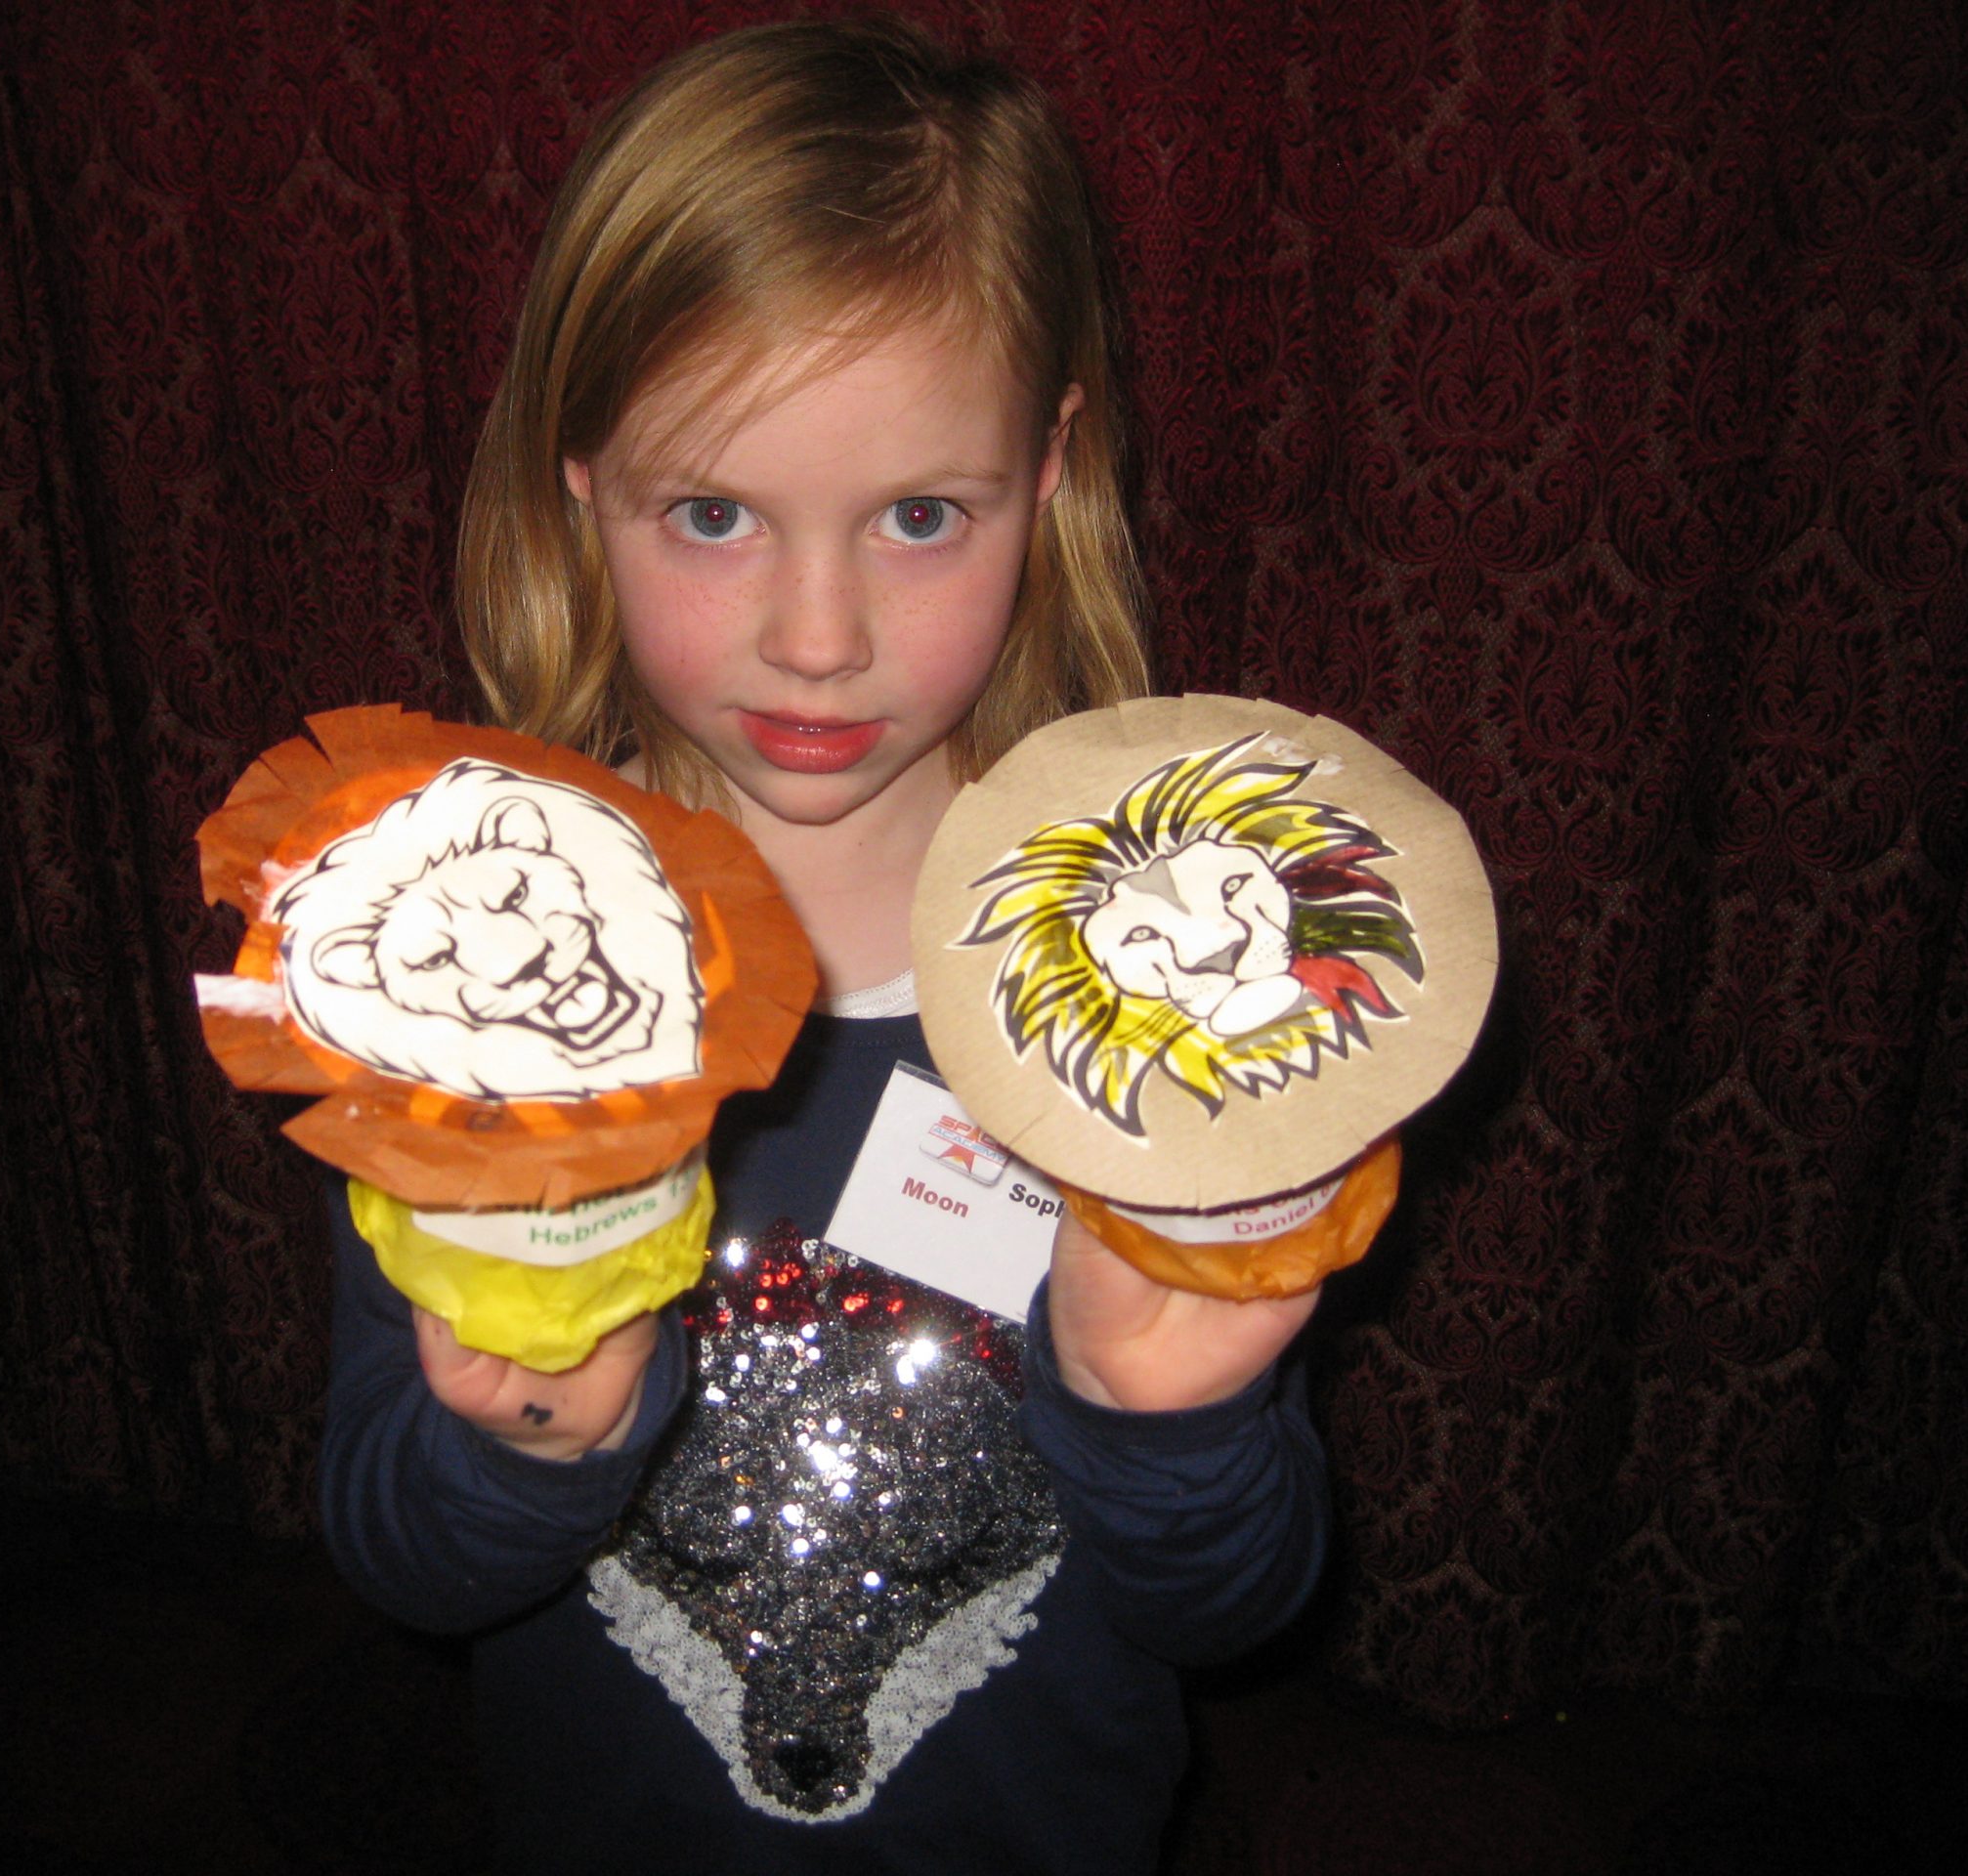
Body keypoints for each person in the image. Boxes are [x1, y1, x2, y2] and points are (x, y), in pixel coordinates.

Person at [319, 18, 1329, 1872]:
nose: (816, 638)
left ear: (1049, 473)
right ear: (579, 484)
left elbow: (1236, 1610)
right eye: (713, 514)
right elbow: (398, 1556)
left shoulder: (1160, 978)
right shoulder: (477, 961)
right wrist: (526, 1443)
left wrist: (1170, 1421)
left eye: (919, 518)